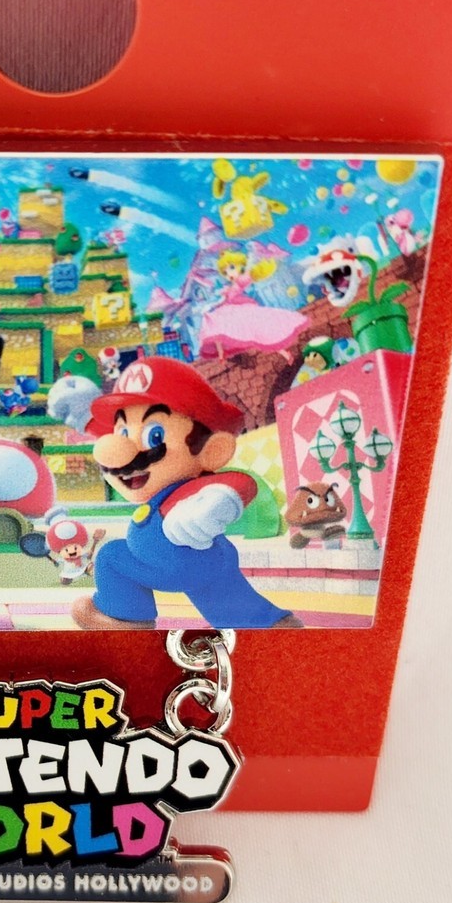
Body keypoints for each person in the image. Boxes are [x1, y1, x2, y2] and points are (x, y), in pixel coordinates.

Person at [69, 357, 303, 629]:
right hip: (198, 562)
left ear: (211, 450)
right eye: (122, 432)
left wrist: (215, 503)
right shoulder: (160, 493)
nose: (121, 453)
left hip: (183, 562)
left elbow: (240, 482)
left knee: (111, 557)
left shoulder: (193, 488)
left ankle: (127, 619)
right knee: (225, 599)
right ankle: (269, 624)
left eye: (154, 436)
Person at [199, 251, 309, 360]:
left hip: (241, 310)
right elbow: (223, 300)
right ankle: (221, 352)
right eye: (225, 273)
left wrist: (251, 262)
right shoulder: (229, 287)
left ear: (240, 267)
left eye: (231, 268)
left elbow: (248, 275)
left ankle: (284, 353)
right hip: (230, 312)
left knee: (259, 335)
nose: (229, 274)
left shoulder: (240, 281)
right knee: (216, 324)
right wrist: (212, 305)